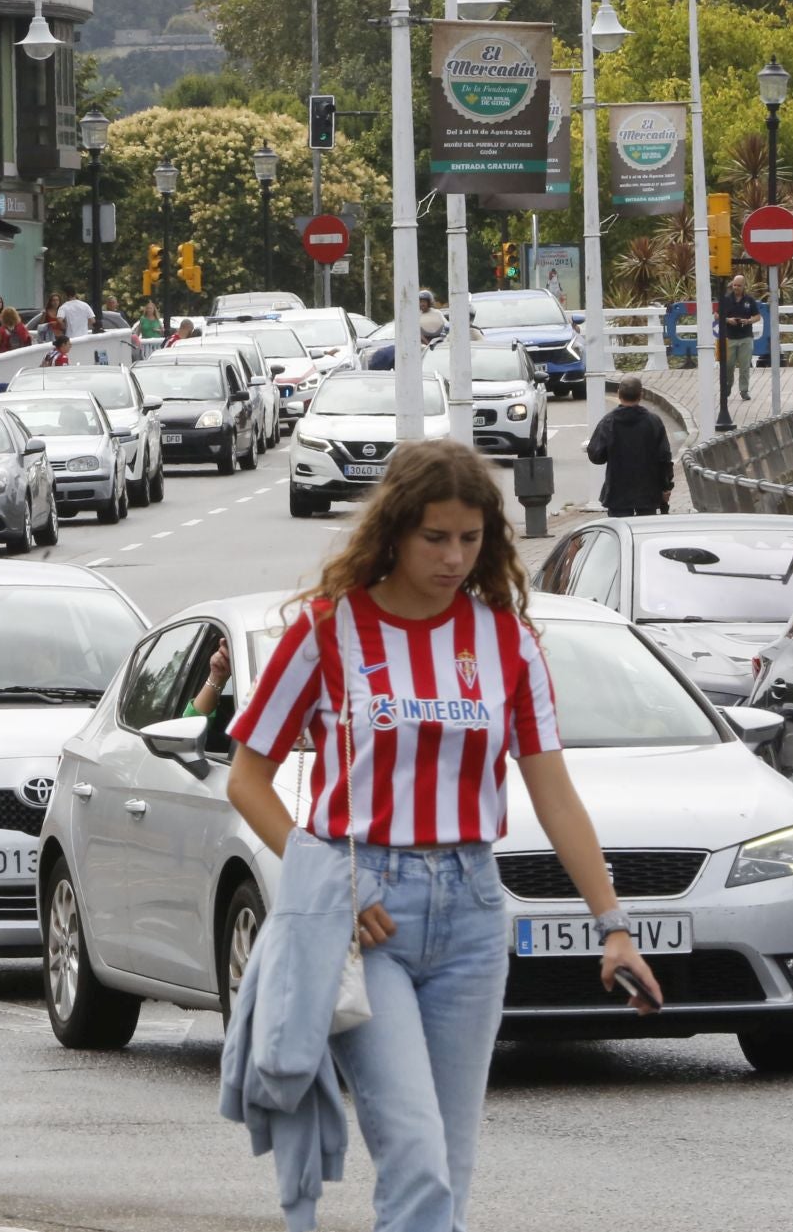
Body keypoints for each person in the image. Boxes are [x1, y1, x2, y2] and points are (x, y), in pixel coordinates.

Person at [224, 438, 660, 1232]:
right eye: (435, 537)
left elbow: (553, 791)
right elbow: (246, 779)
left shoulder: (507, 640)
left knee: (449, 1173)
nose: (455, 557)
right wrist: (333, 888)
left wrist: (615, 927)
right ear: (393, 530)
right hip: (368, 918)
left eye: (471, 538)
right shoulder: (330, 629)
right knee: (417, 1160)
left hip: (471, 913)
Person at [586, 376, 674, 517]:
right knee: (645, 532)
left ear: (619, 393)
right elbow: (664, 457)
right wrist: (666, 486)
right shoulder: (653, 421)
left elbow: (597, 456)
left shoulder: (609, 422)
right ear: (641, 395)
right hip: (648, 491)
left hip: (617, 491)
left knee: (620, 531)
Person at [718, 273, 760, 404]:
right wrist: (728, 320)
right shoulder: (726, 299)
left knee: (744, 366)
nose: (736, 287)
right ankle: (728, 386)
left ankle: (744, 390)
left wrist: (748, 321)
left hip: (745, 337)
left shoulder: (749, 300)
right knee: (728, 365)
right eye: (734, 285)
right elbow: (717, 315)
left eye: (739, 285)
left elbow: (757, 316)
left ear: (743, 286)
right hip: (729, 337)